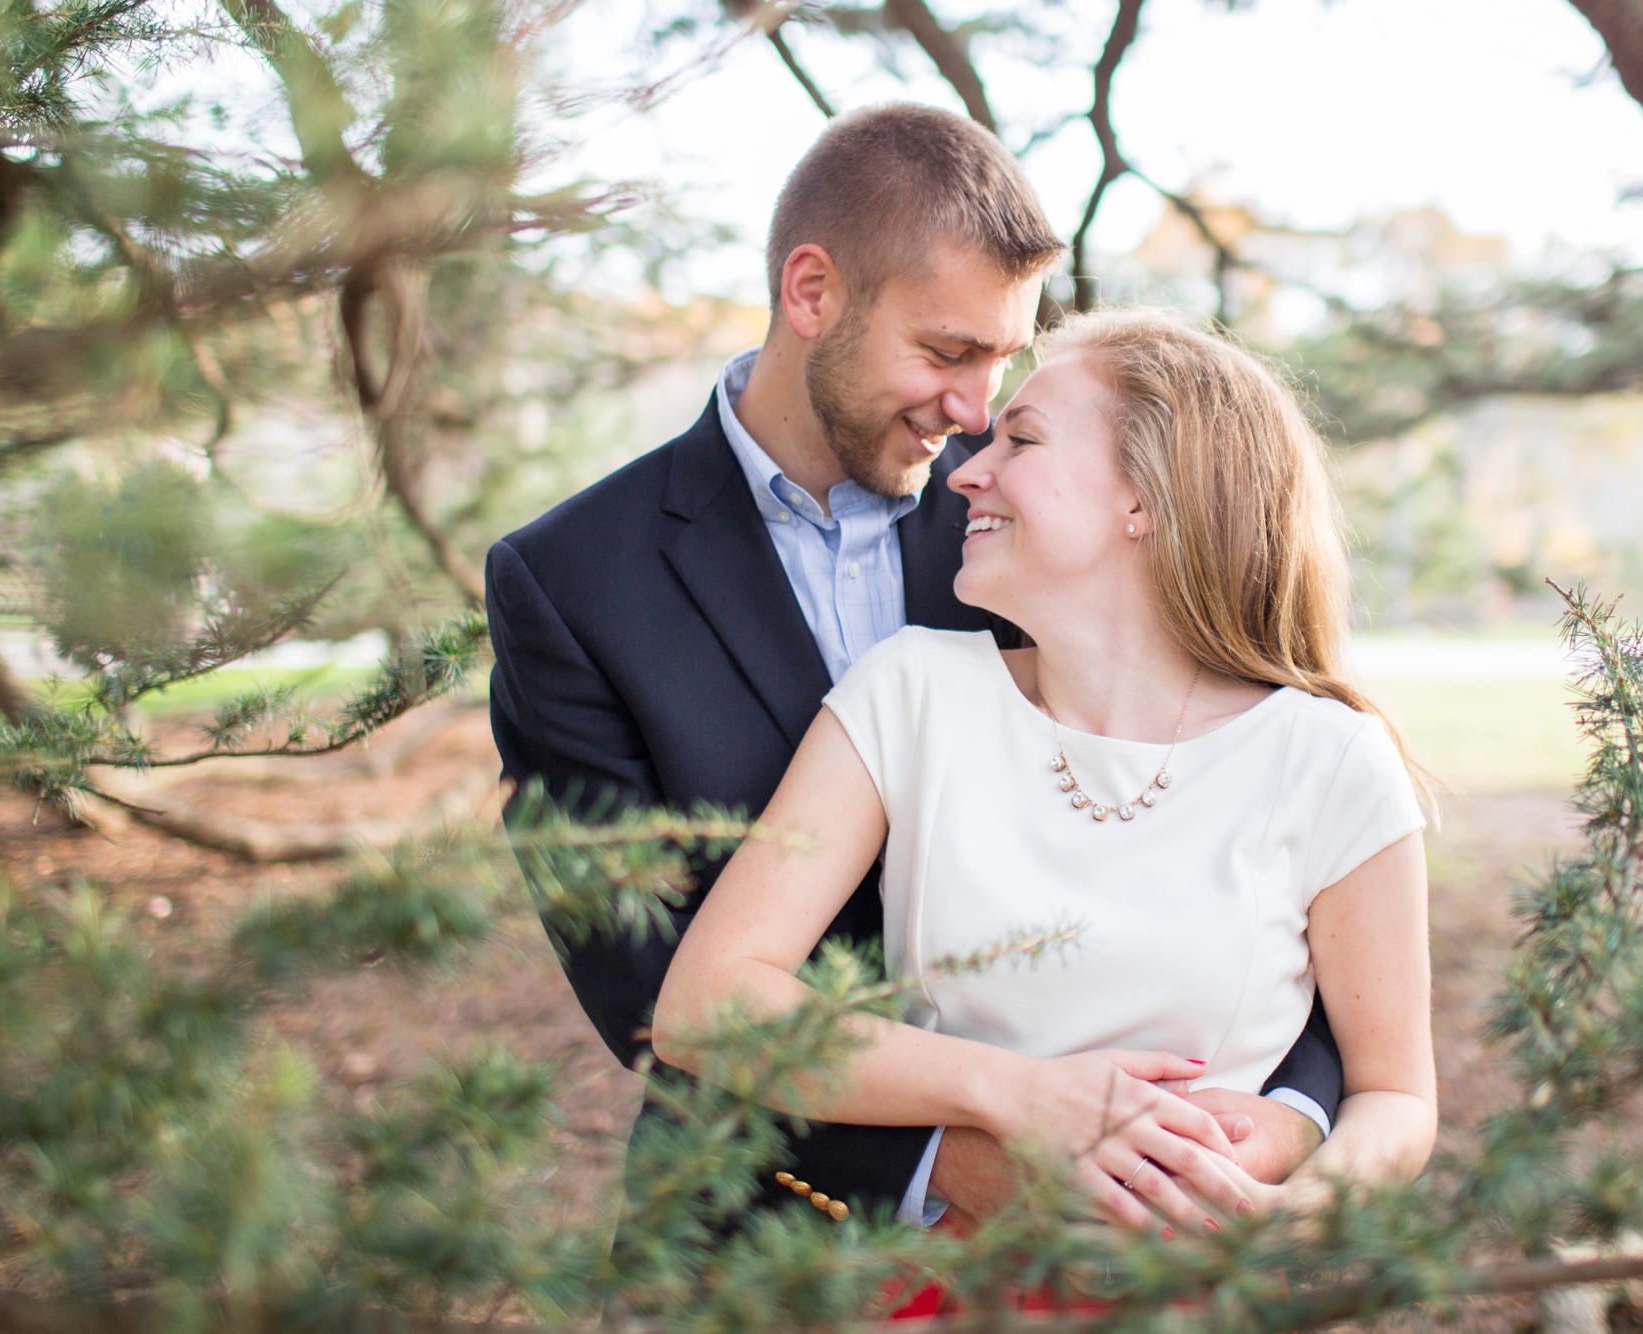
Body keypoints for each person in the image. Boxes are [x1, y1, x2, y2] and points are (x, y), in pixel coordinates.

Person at [486, 103, 1344, 1235]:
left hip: (1129, 1219)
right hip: (758, 1219)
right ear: (811, 293)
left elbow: (1271, 857)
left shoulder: (1036, 529)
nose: (973, 412)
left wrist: (1275, 1122)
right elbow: (653, 992)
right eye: (946, 352)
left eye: (1000, 362)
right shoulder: (571, 581)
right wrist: (966, 1154)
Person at [652, 308, 1438, 1241]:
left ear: (1145, 497)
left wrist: (1282, 1220)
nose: (967, 470)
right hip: (942, 1281)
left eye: (1020, 439)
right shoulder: (912, 691)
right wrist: (1015, 1093)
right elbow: (707, 1005)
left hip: (1189, 1292)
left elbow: (1393, 1093)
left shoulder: (1331, 759)